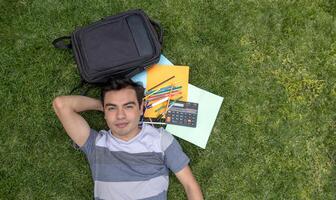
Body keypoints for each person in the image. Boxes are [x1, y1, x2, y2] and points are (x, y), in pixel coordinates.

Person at [52, 78, 203, 200]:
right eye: (112, 108)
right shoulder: (96, 144)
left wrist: (109, 106)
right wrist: (102, 106)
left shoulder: (160, 140)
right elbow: (61, 104)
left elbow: (190, 185)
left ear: (141, 108)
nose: (120, 115)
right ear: (105, 112)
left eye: (128, 106)